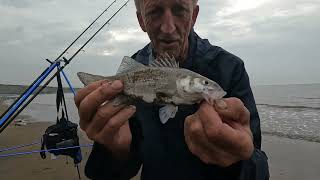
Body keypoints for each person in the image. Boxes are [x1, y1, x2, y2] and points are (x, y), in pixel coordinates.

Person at [74, 0, 270, 179]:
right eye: (155, 12)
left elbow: (259, 166)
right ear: (141, 20)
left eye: (179, 10)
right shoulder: (135, 69)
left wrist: (238, 160)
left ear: (193, 16)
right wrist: (115, 150)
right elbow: (112, 172)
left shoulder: (230, 68)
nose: (168, 28)